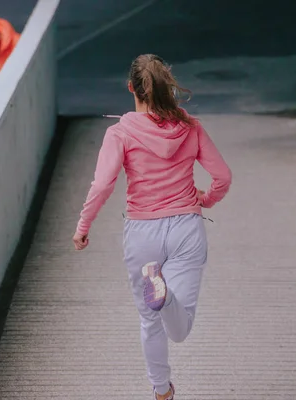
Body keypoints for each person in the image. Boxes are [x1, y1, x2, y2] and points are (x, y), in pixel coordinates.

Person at [73, 54, 232, 400]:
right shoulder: (191, 127)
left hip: (142, 232)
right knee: (180, 328)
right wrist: (206, 200)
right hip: (186, 230)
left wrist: (83, 226)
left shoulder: (120, 133)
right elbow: (222, 176)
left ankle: (162, 392)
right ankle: (166, 295)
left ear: (131, 88)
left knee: (150, 321)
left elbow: (102, 185)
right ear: (167, 89)